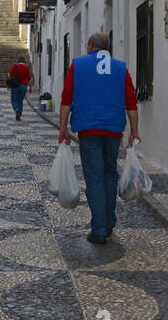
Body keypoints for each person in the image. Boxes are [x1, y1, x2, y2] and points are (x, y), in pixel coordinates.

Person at [58, 32, 139, 244]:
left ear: (91, 45)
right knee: (110, 172)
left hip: (88, 128)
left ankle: (99, 228)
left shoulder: (78, 65)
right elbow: (131, 103)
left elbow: (66, 100)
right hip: (113, 128)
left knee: (94, 176)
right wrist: (134, 131)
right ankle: (109, 222)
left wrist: (63, 128)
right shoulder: (121, 68)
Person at [8, 54, 31, 121]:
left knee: (14, 100)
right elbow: (29, 79)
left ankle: (16, 109)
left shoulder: (14, 66)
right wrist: (30, 87)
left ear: (18, 60)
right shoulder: (26, 68)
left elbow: (9, 75)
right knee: (20, 101)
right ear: (24, 61)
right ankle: (19, 115)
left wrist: (9, 85)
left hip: (15, 85)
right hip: (24, 86)